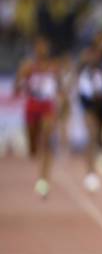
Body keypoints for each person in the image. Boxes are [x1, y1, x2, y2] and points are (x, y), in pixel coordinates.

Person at [14, 37, 62, 198]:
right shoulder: (28, 66)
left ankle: (43, 179)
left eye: (45, 47)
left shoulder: (53, 67)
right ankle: (36, 155)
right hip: (32, 106)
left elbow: (61, 88)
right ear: (35, 49)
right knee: (33, 149)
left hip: (47, 106)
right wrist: (21, 80)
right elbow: (17, 89)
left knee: (47, 142)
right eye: (39, 47)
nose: (42, 50)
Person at [77, 32, 102, 192]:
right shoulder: (88, 55)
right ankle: (90, 172)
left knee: (100, 136)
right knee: (92, 133)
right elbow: (80, 69)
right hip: (88, 98)